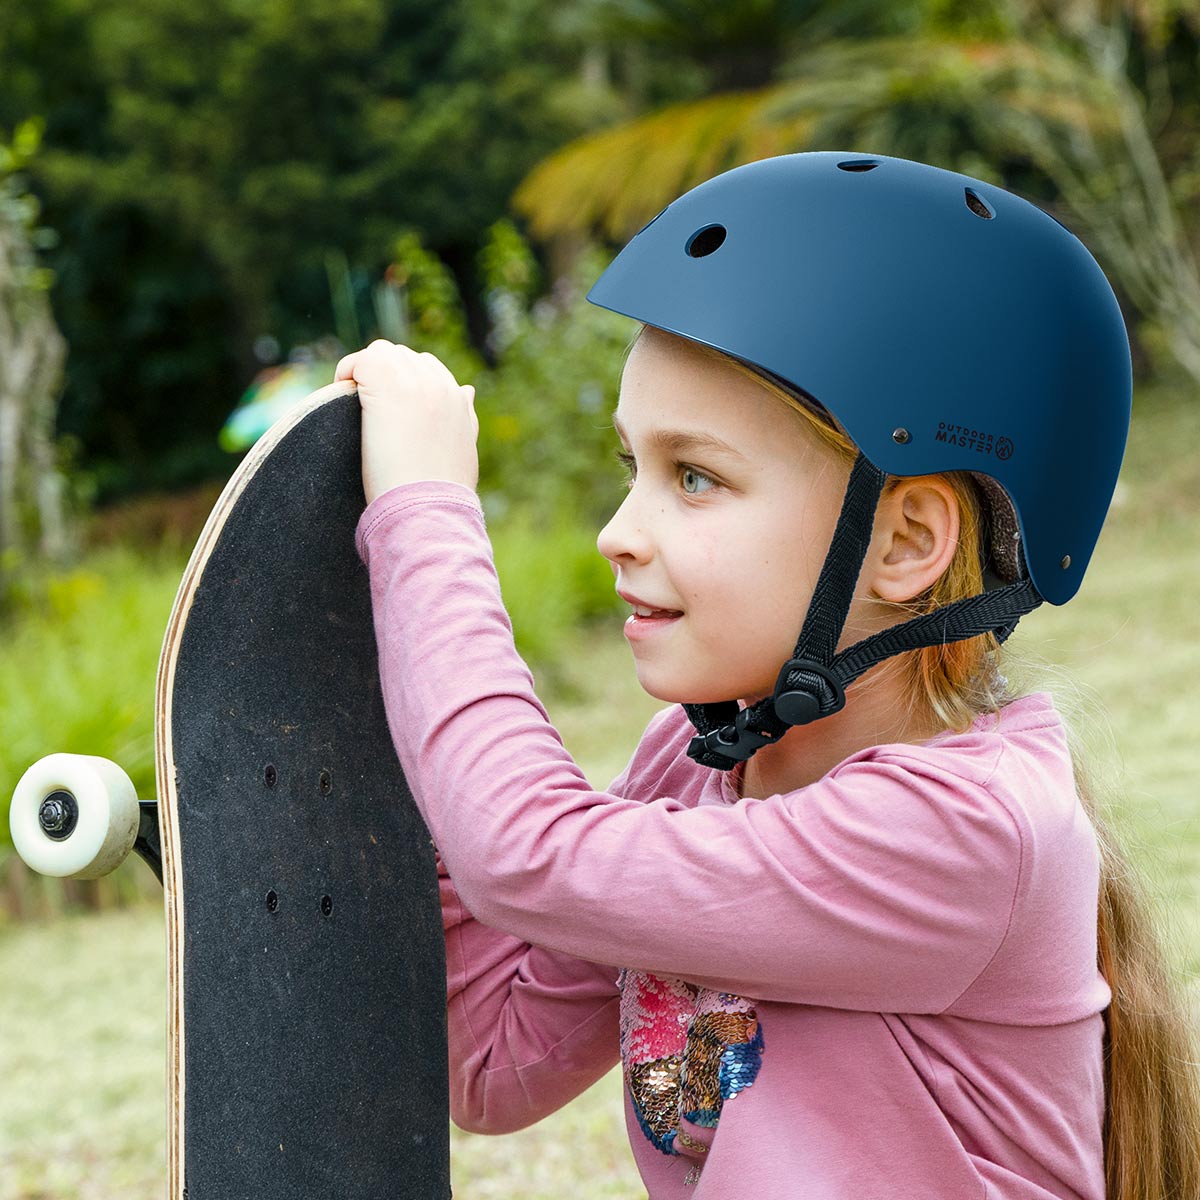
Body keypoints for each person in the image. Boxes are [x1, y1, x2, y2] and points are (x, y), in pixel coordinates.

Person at [339, 152, 1200, 1199]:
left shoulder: (966, 831)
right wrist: (390, 766)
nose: (619, 533)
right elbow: (495, 1059)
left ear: (903, 542)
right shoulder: (695, 766)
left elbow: (526, 854)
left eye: (694, 477)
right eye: (632, 468)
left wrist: (425, 520)